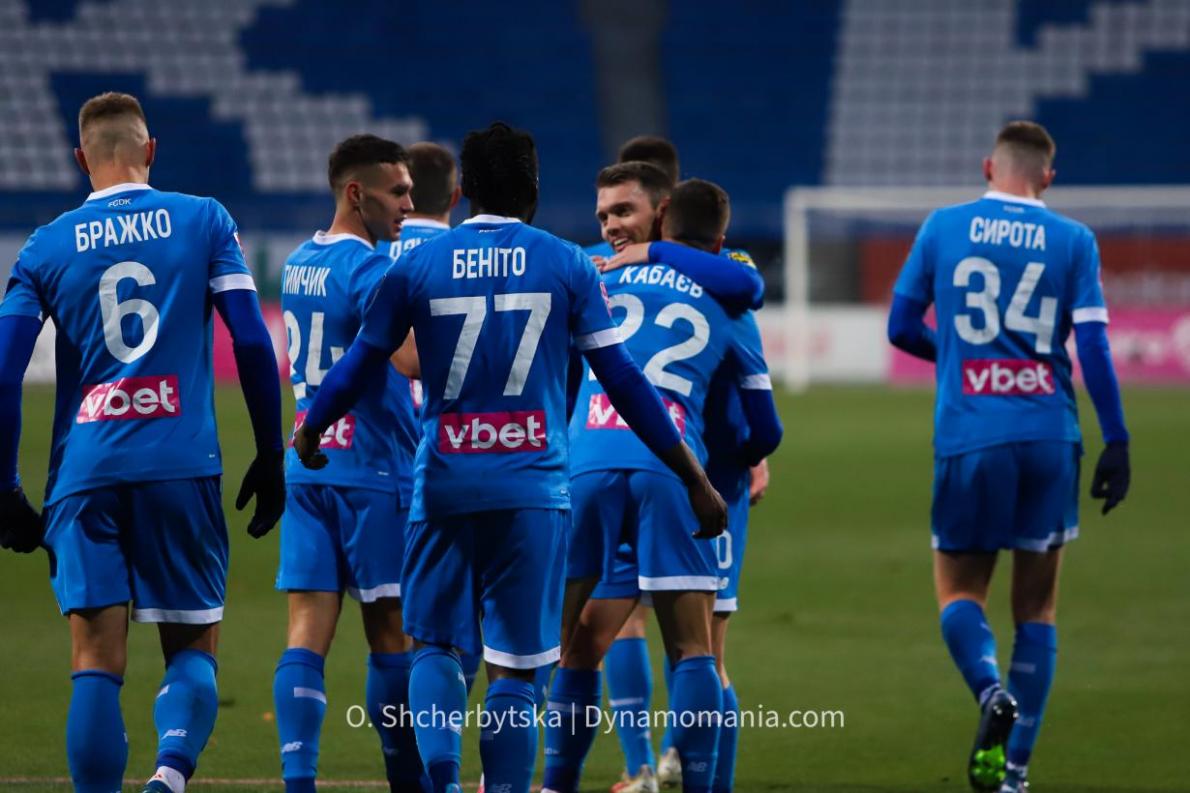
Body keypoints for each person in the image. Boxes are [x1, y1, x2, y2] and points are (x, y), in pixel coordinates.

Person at [291, 122, 727, 793]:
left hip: (443, 483)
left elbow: (361, 359)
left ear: (466, 190)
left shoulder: (415, 263)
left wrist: (312, 426)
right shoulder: (567, 263)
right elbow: (622, 379)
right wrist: (693, 474)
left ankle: (442, 778)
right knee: (518, 671)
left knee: (435, 645)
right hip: (533, 492)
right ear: (533, 188)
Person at [0, 91, 284, 793]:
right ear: (151, 150)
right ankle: (169, 775)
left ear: (80, 159)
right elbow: (253, 341)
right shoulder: (204, 218)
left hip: (85, 471)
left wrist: (5, 485)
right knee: (192, 648)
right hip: (180, 464)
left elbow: (5, 372)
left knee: (95, 662)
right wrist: (270, 453)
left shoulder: (45, 245)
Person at [887, 121, 1131, 793]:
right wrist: (1117, 438)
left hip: (971, 433)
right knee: (1038, 609)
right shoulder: (1074, 239)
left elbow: (901, 327)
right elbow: (1094, 347)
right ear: (1048, 177)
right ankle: (1014, 773)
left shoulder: (943, 226)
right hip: (1049, 433)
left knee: (961, 592)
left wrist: (958, 357)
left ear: (987, 167)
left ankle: (990, 691)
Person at [545, 179, 783, 793]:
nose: (611, 226)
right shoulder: (721, 292)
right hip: (681, 473)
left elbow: (561, 374)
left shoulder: (596, 276)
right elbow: (767, 427)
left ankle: (553, 779)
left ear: (663, 213)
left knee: (566, 645)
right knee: (696, 651)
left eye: (624, 211)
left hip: (590, 461)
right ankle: (696, 781)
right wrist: (740, 460)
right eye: (604, 214)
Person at [273, 134, 425, 793]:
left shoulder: (298, 262)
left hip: (308, 467)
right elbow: (412, 361)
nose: (408, 205)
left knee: (306, 631)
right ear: (356, 193)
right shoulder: (373, 271)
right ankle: (407, 782)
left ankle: (298, 780)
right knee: (391, 633)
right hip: (373, 469)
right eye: (398, 192)